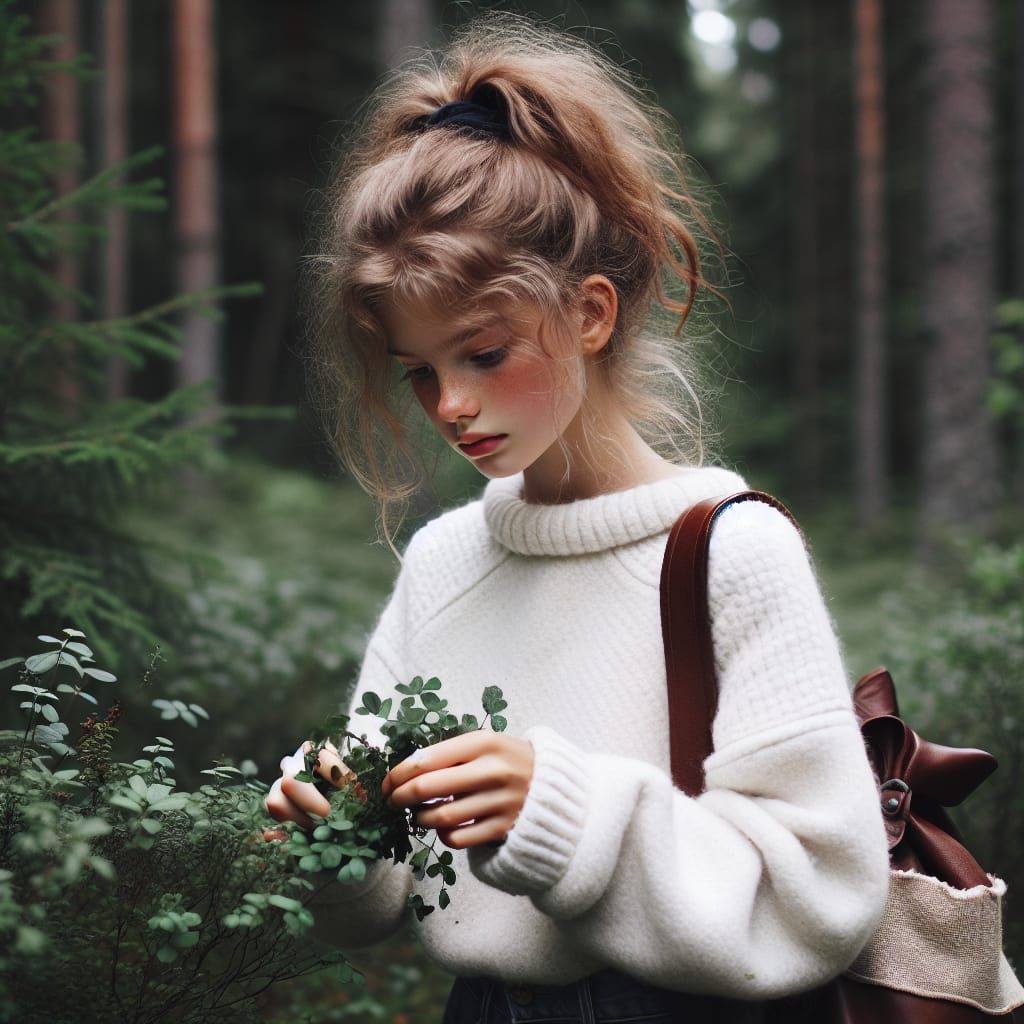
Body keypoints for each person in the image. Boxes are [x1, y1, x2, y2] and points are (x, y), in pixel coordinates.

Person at [265, 12, 890, 1023]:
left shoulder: (730, 549)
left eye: (483, 352)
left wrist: (565, 815)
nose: (449, 404)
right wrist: (334, 827)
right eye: (418, 370)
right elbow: (375, 903)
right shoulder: (443, 562)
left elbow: (819, 894)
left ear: (591, 313)